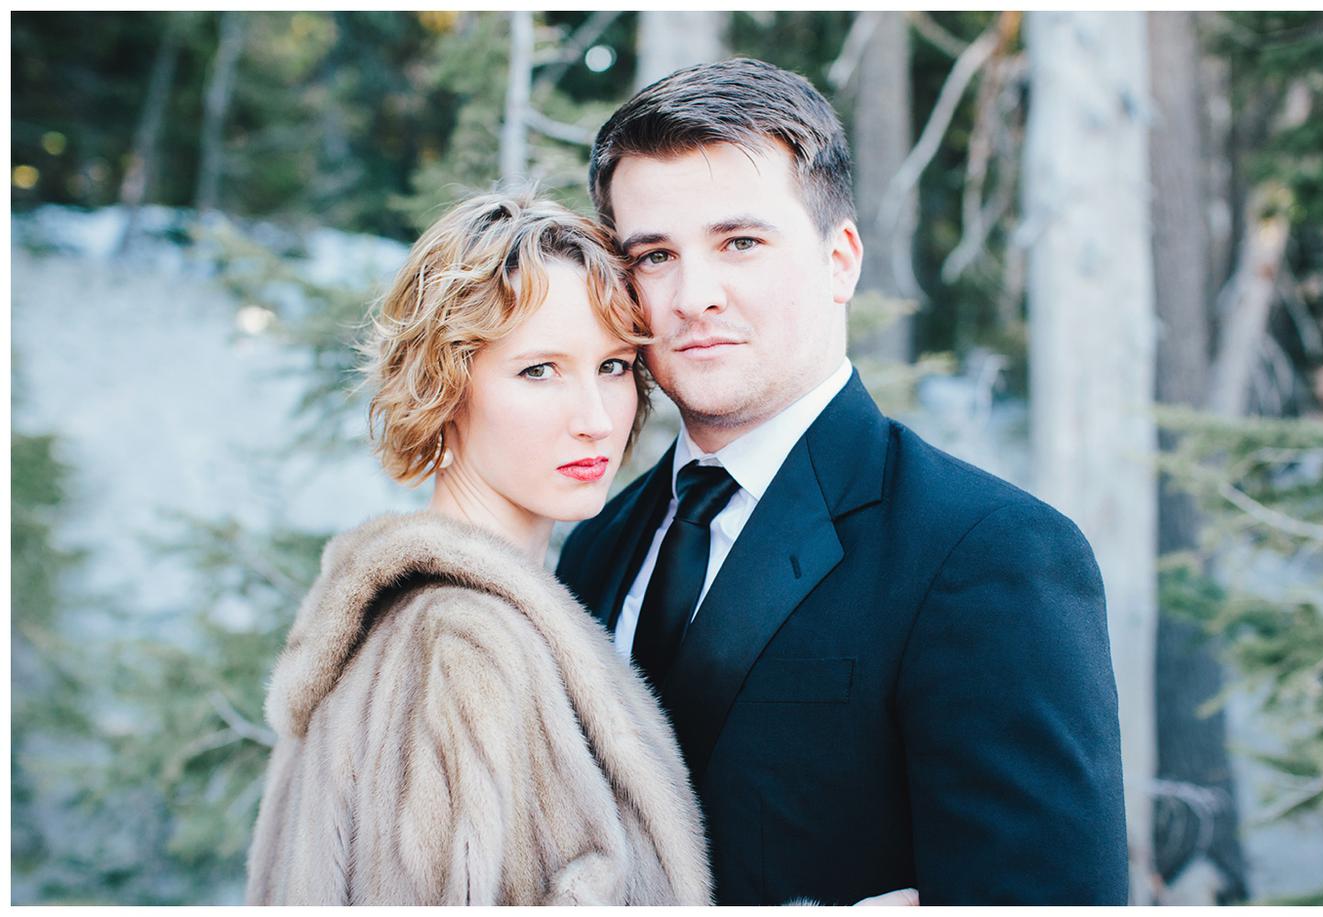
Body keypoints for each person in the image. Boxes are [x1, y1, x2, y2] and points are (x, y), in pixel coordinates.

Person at [556, 58, 1129, 905]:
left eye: (740, 243)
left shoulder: (989, 554)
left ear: (841, 260)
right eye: (655, 255)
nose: (693, 295)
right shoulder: (598, 543)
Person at [245, 192, 712, 905]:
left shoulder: (420, 618)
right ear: (445, 387)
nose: (595, 418)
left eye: (614, 366)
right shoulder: (464, 644)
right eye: (539, 370)